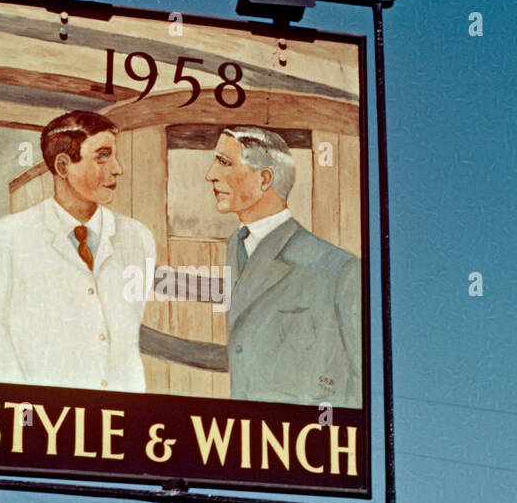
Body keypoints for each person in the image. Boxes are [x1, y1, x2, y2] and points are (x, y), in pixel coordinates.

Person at [142, 126, 361, 407]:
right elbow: (246, 345)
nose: (211, 175)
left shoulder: (340, 270)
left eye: (225, 163)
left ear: (264, 179)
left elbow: (359, 381)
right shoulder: (237, 244)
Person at [0, 109, 156, 391]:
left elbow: (126, 339)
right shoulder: (1, 240)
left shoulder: (138, 239)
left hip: (120, 417)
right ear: (62, 166)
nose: (117, 168)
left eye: (114, 156)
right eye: (103, 156)